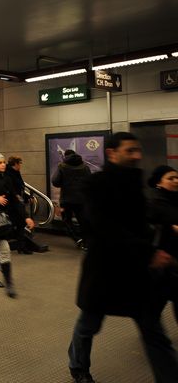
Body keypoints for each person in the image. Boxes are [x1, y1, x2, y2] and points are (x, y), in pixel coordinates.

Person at [67, 132, 178, 383]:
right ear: (112, 153)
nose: (137, 155)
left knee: (153, 330)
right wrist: (150, 251)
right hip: (104, 269)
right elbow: (105, 227)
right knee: (89, 325)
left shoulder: (134, 184)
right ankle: (78, 367)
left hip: (136, 270)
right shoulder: (94, 185)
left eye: (137, 150)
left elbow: (139, 224)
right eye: (130, 151)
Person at [0, 153, 35, 298]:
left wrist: (26, 217)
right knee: (5, 249)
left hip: (6, 220)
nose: (3, 164)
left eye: (4, 162)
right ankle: (9, 284)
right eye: (0, 162)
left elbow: (15, 200)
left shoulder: (7, 179)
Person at [146, 165, 178, 324]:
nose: (176, 181)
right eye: (170, 178)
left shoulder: (175, 199)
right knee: (158, 298)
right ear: (159, 182)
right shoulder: (156, 202)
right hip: (163, 258)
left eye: (177, 177)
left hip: (173, 258)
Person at [52, 149, 91, 250]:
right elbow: (90, 181)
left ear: (65, 156)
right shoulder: (85, 166)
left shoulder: (62, 166)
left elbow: (55, 181)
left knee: (67, 221)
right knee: (83, 221)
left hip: (67, 200)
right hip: (81, 200)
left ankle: (77, 239)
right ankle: (86, 243)